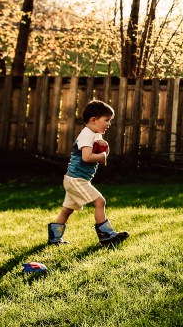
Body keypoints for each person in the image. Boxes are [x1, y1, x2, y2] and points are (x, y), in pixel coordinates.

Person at [47, 99, 129, 247]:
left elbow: (102, 155)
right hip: (77, 179)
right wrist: (102, 156)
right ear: (93, 120)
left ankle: (54, 239)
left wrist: (106, 149)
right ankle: (106, 235)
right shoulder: (87, 135)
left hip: (76, 179)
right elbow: (87, 157)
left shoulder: (95, 135)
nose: (109, 124)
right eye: (107, 120)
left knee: (67, 210)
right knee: (100, 202)